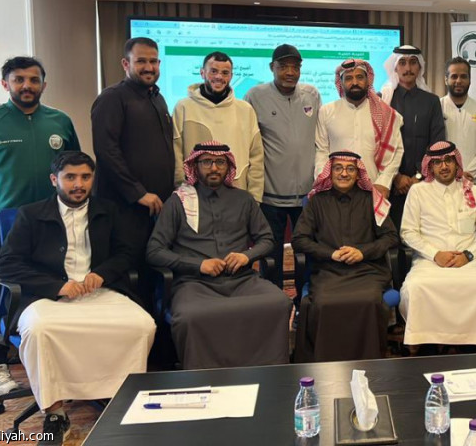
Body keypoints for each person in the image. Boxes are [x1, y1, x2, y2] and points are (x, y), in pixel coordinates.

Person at [0, 152, 155, 446]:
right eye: (70, 177)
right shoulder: (30, 214)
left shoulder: (109, 211)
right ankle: (55, 414)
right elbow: (7, 264)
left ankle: (122, 402)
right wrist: (57, 286)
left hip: (101, 292)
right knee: (40, 330)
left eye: (85, 177)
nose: (79, 184)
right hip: (47, 298)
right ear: (54, 180)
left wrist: (102, 274)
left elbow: (127, 253)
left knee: (141, 325)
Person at [0, 56, 80, 398]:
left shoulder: (60, 121)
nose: (27, 86)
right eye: (18, 80)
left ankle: (52, 362)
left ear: (44, 84)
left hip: (50, 225)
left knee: (51, 289)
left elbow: (71, 168)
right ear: (5, 84)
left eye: (33, 80)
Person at [147, 141, 291, 370]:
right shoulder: (178, 201)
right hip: (195, 283)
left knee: (279, 302)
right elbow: (154, 251)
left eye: (220, 162)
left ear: (228, 166)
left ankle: (267, 372)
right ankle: (203, 377)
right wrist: (198, 265)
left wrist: (247, 256)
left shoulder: (243, 199)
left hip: (241, 280)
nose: (214, 168)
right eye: (206, 162)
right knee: (190, 315)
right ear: (195, 166)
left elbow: (267, 239)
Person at [292, 151, 400, 362]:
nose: (344, 173)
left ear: (358, 173)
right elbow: (299, 240)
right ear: (330, 172)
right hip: (328, 271)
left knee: (369, 300)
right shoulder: (317, 201)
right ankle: (326, 364)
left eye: (350, 169)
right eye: (338, 168)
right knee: (323, 302)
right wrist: (330, 253)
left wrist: (362, 252)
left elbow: (391, 236)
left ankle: (370, 362)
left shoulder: (372, 199)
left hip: (367, 271)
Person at [400, 141, 476, 350]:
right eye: (437, 162)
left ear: (457, 163)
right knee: (414, 288)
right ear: (430, 166)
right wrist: (435, 254)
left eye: (448, 160)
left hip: (471, 261)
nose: (444, 166)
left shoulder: (474, 191)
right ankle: (427, 345)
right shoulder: (418, 192)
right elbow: (408, 232)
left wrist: (469, 254)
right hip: (430, 262)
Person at [91, 37, 175, 274]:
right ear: (125, 64)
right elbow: (106, 151)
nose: (149, 67)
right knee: (128, 273)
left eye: (153, 61)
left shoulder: (157, 98)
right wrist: (138, 193)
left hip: (155, 206)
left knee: (153, 270)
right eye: (141, 61)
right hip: (124, 207)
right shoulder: (112, 98)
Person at [244, 44, 321, 288]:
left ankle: (304, 298)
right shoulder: (255, 96)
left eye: (295, 67)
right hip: (270, 195)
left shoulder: (312, 94)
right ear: (272, 67)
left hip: (307, 195)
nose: (290, 72)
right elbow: (248, 141)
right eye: (283, 66)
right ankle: (274, 299)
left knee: (308, 253)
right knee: (271, 255)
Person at [172, 51, 264, 201]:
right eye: (213, 71)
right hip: (194, 197)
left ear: (231, 76)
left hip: (238, 196)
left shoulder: (245, 110)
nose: (219, 77)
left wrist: (255, 199)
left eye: (225, 73)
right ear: (202, 73)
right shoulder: (183, 107)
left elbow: (256, 159)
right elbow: (177, 155)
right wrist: (182, 193)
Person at [315, 58, 404, 198]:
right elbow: (322, 151)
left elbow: (396, 152)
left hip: (373, 190)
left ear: (368, 81)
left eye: (360, 77)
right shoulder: (326, 111)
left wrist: (384, 182)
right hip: (335, 191)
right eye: (348, 78)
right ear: (341, 83)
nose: (355, 82)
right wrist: (323, 181)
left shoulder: (386, 114)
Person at [381, 45, 445, 229]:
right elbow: (377, 145)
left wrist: (419, 176)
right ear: (394, 67)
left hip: (424, 184)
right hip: (390, 184)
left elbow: (437, 143)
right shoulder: (383, 100)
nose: (407, 68)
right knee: (391, 236)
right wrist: (396, 177)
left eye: (412, 63)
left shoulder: (432, 101)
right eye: (402, 63)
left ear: (420, 67)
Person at [440, 57, 476, 199]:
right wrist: (454, 174)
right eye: (454, 76)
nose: (459, 81)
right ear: (446, 79)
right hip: (445, 185)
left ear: (470, 80)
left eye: (463, 76)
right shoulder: (437, 107)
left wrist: (468, 173)